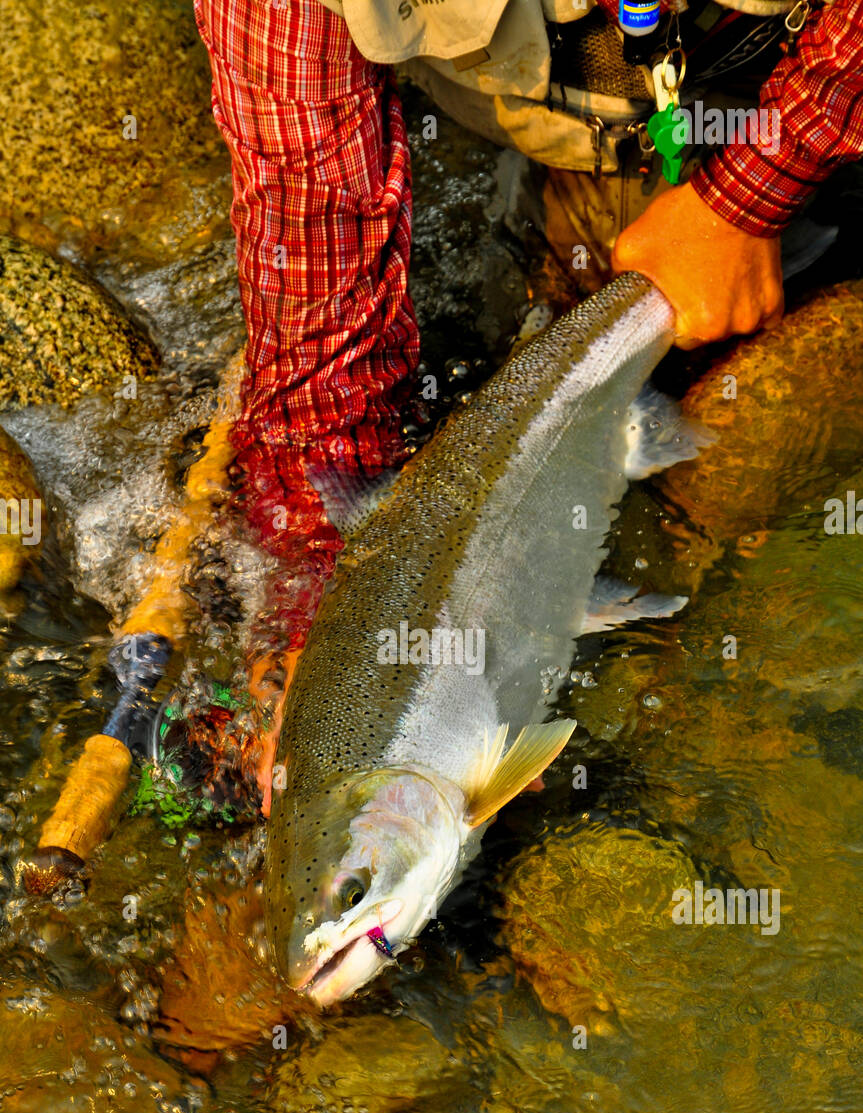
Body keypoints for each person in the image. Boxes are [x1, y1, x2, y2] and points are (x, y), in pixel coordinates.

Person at [190, 0, 863, 798]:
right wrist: (317, 588)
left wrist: (752, 190)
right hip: (578, 98)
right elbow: (311, 220)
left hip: (776, 64)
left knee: (756, 420)